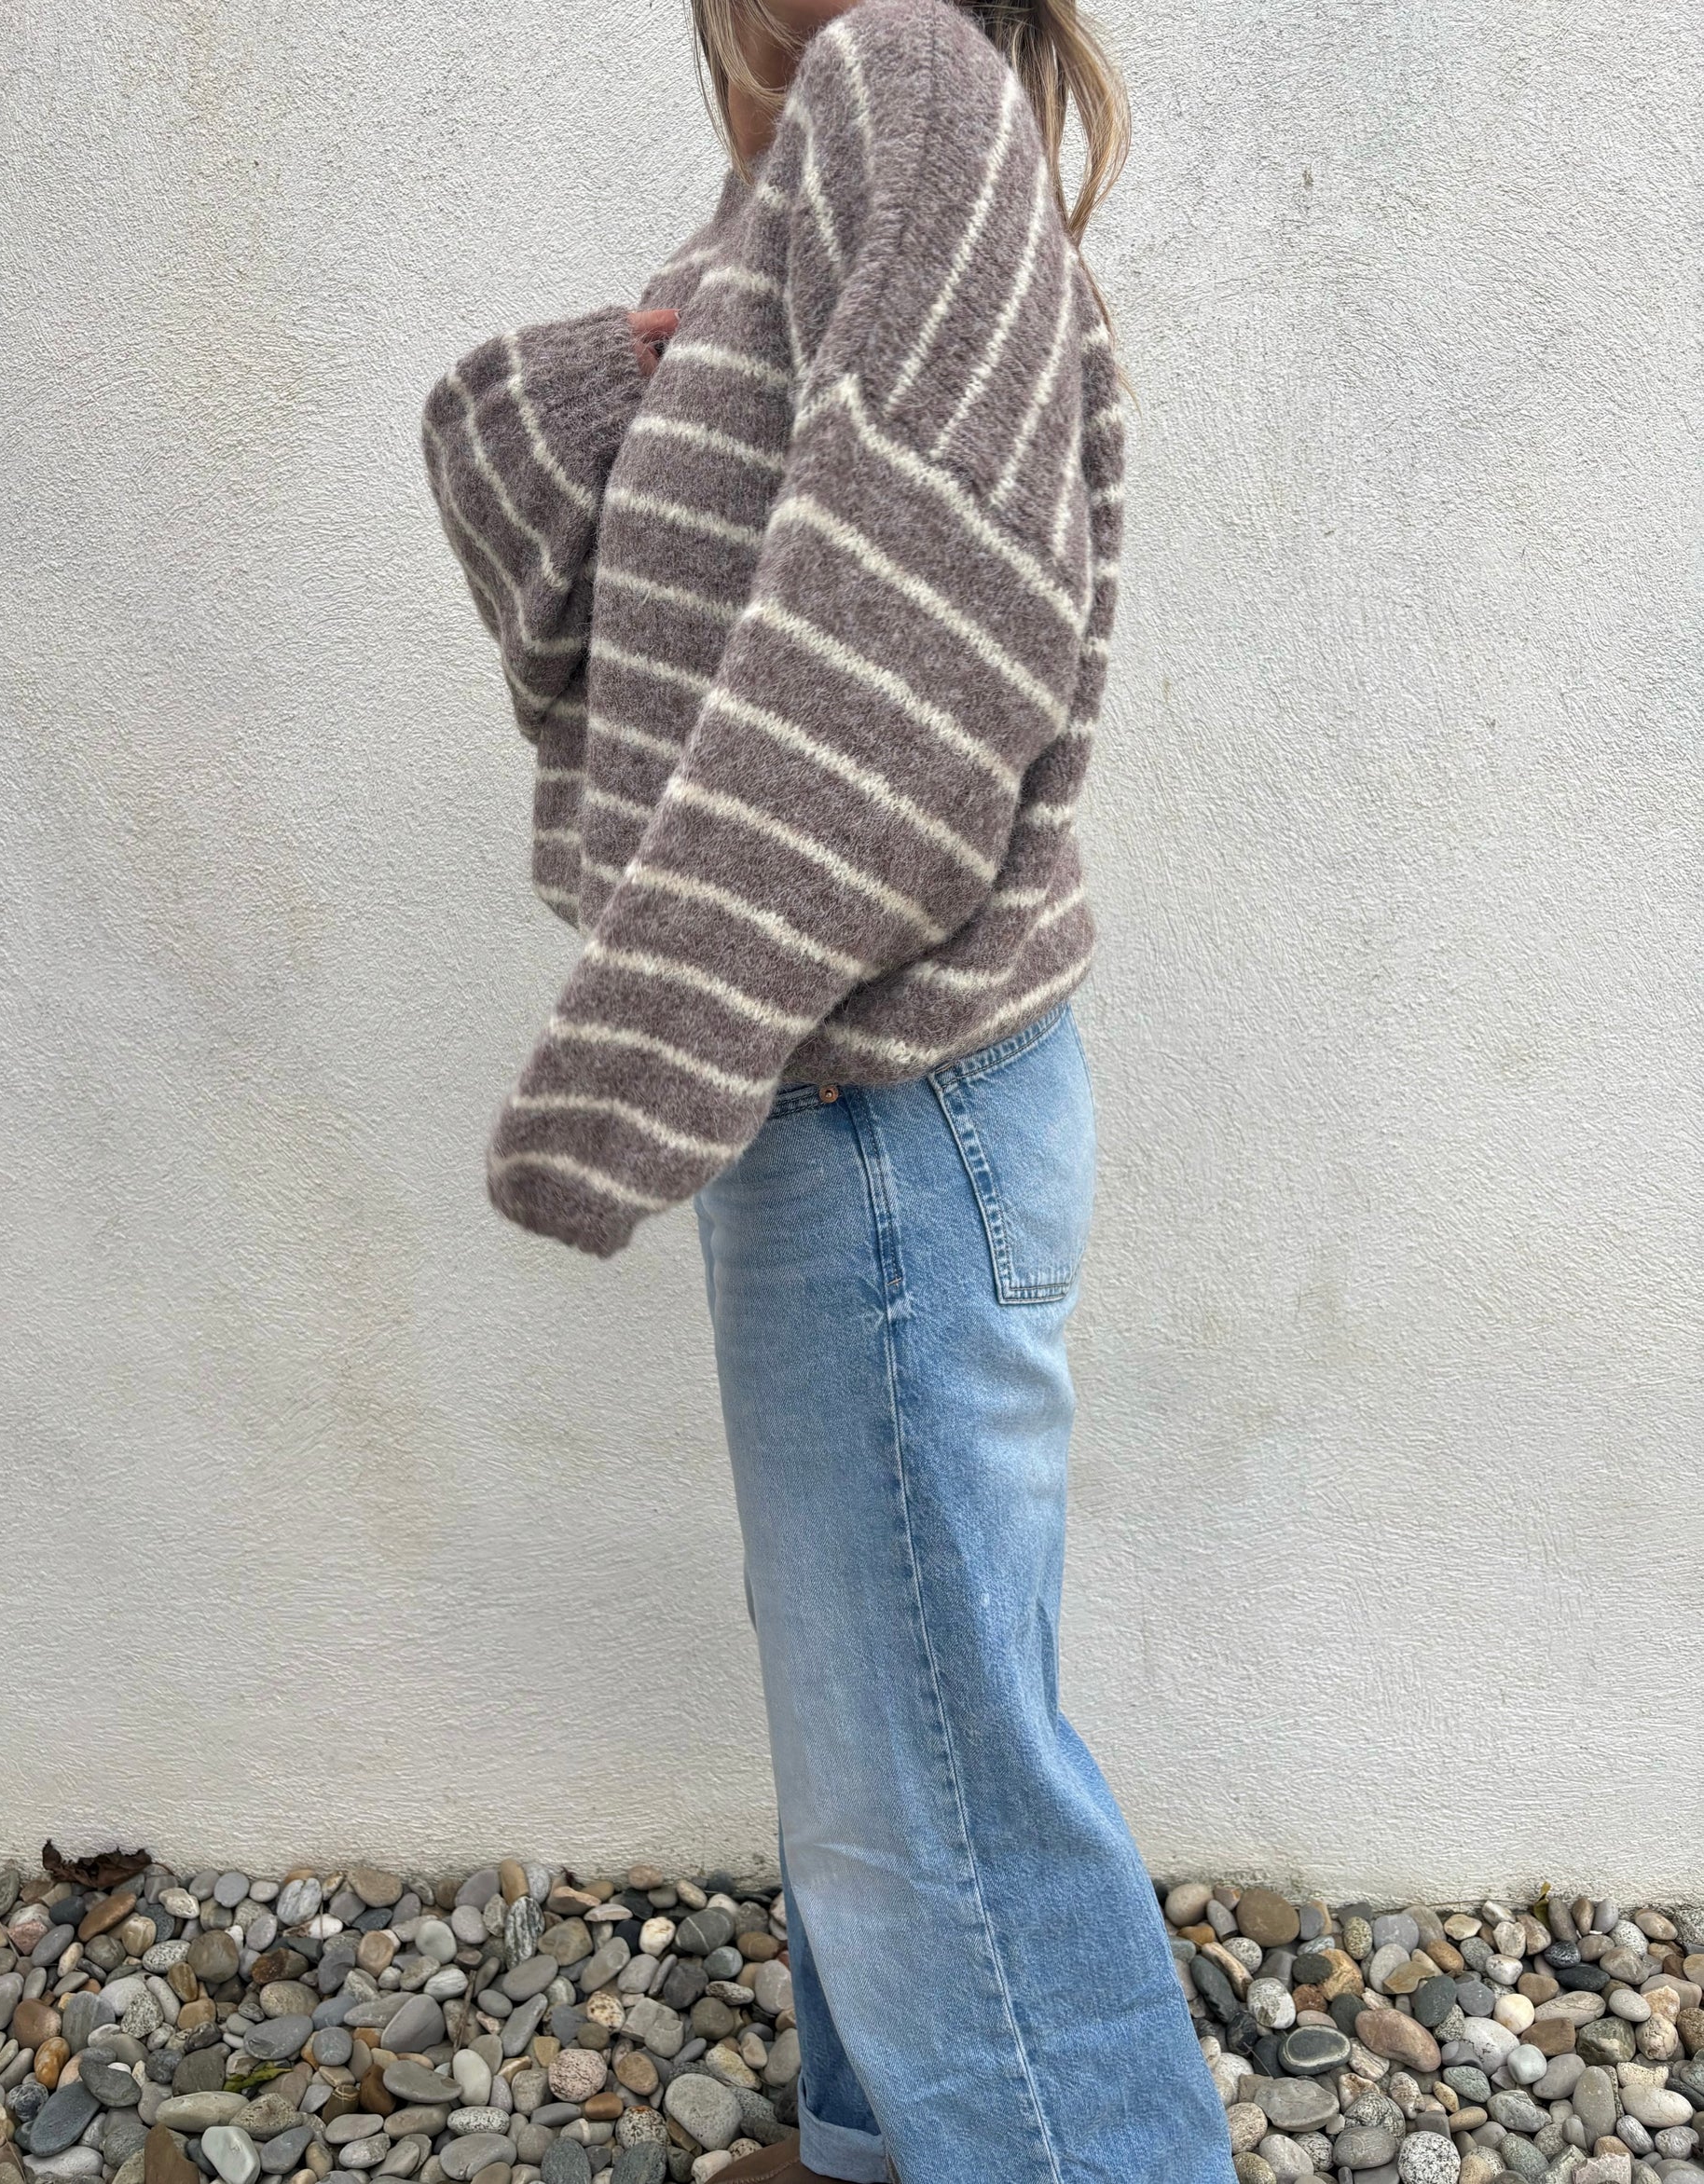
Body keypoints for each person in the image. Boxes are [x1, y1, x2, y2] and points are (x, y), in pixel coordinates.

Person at [419, 1, 1236, 2177]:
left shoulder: (909, 85)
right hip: (856, 1090)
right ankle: (882, 2139)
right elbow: (598, 594)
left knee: (933, 1767)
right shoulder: (806, 192)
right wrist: (646, 366)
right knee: (886, 1711)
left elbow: (921, 644)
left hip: (884, 1093)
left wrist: (644, 1045)